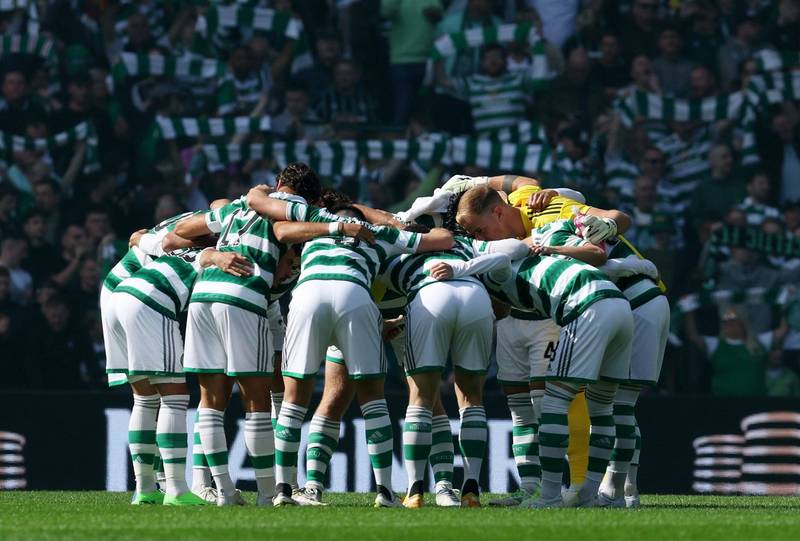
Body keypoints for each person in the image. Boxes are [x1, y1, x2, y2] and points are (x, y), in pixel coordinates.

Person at [443, 210, 635, 508]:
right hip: (619, 307)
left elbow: (499, 260)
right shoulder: (539, 255)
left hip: (586, 307)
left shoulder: (494, 263)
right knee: (603, 406)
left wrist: (458, 270)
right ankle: (595, 495)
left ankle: (548, 495)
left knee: (555, 401)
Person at [271, 203, 454, 508]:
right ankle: (385, 491)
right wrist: (390, 220)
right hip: (355, 296)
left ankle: (284, 490)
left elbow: (280, 229)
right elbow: (444, 239)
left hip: (307, 296)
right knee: (373, 398)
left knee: (293, 399)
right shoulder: (379, 233)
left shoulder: (313, 231)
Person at [436, 44, 540, 135]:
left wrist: (536, 43)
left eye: (497, 56)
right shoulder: (473, 82)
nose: (493, 60)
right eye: (488, 57)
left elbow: (541, 77)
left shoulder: (520, 79)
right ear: (482, 62)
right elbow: (442, 80)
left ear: (505, 61)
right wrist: (438, 52)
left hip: (516, 144)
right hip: (485, 147)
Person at [685, 307, 771, 396]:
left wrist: (782, 300)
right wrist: (689, 309)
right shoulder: (715, 344)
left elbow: (782, 331)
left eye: (732, 320)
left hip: (757, 400)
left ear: (743, 322)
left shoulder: (760, 341)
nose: (728, 323)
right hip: (725, 402)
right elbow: (693, 336)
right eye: (725, 321)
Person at [381, 0, 443, 124]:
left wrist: (433, 13)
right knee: (402, 109)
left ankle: (424, 142)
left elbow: (439, 14)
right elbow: (386, 13)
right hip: (401, 62)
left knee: (425, 111)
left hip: (428, 60)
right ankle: (399, 141)